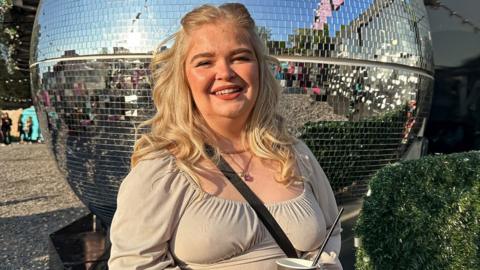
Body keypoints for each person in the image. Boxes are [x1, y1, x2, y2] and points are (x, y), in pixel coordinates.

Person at [108, 3, 342, 270]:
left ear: (259, 69)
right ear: (183, 77)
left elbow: (330, 233)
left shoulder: (295, 154)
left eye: (240, 57)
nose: (225, 73)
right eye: (205, 62)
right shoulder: (162, 170)